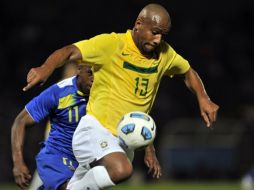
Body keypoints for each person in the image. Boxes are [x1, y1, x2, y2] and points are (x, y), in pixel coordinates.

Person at [22, 3, 219, 190]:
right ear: (139, 24)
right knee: (121, 170)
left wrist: (203, 97)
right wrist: (45, 68)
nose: (158, 40)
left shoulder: (165, 54)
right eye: (155, 32)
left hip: (125, 141)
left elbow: (187, 72)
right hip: (95, 130)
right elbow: (69, 51)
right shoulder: (112, 45)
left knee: (91, 181)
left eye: (163, 35)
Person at [12, 63, 93, 190]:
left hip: (85, 158)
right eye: (90, 72)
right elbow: (20, 121)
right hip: (58, 154)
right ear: (79, 71)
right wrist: (18, 162)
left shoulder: (104, 92)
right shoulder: (59, 92)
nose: (94, 78)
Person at [27, 62, 79, 190]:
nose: (73, 74)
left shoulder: (75, 89)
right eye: (71, 71)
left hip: (67, 142)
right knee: (45, 174)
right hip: (55, 142)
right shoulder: (62, 89)